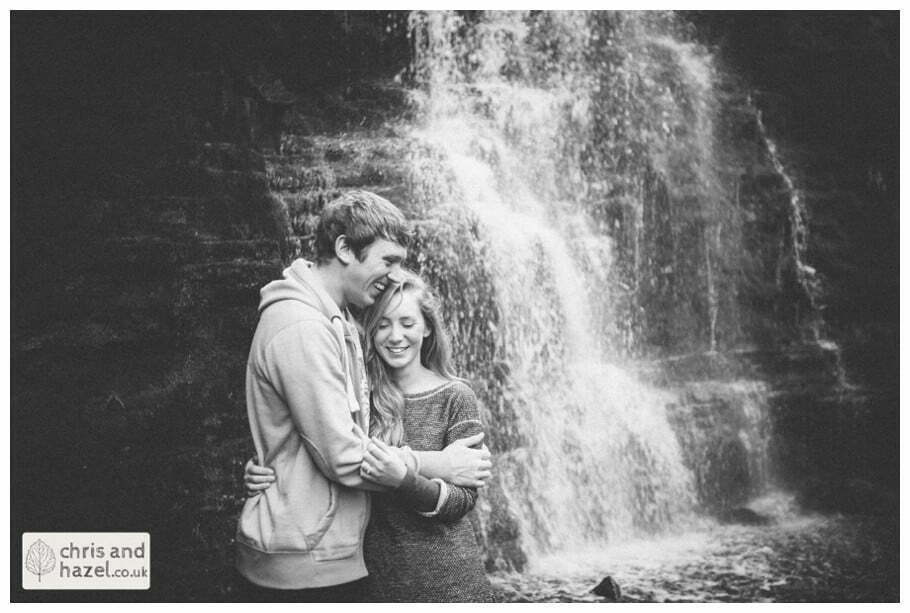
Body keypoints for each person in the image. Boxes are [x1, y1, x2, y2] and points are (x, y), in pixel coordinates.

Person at [235, 190, 491, 602]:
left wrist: (279, 462)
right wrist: (439, 463)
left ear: (428, 328)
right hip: (311, 558)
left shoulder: (336, 322)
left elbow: (313, 430)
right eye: (388, 260)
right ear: (344, 249)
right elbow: (343, 455)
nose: (395, 274)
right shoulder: (305, 326)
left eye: (407, 322)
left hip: (363, 560)